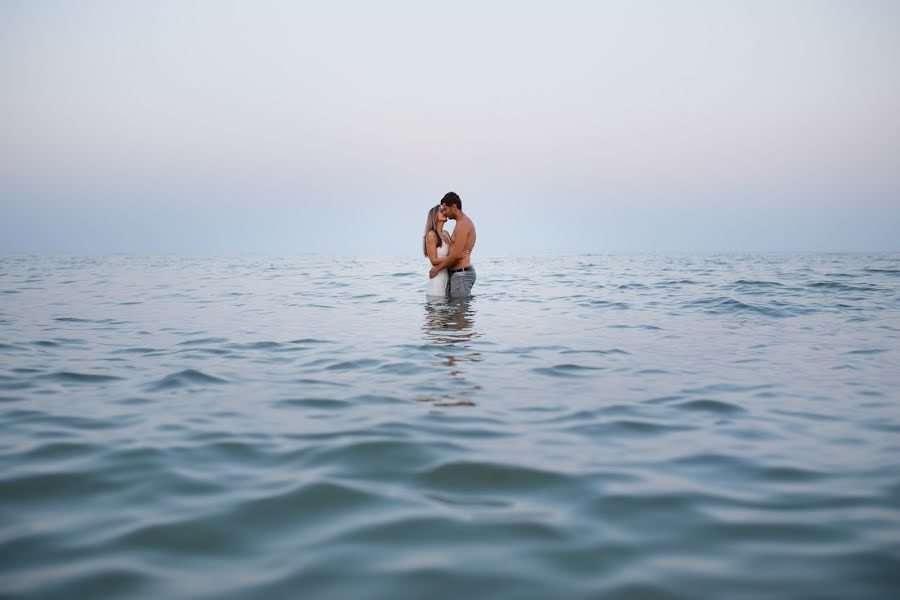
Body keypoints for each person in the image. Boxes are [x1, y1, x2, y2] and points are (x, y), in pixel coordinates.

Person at [429, 191, 477, 298]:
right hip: (457, 274)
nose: (444, 213)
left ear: (454, 207)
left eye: (445, 209)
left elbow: (456, 255)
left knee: (459, 311)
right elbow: (455, 253)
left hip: (461, 274)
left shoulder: (463, 224)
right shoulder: (459, 223)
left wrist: (437, 269)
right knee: (454, 312)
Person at [423, 204, 452, 298]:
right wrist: (455, 257)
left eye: (444, 210)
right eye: (441, 211)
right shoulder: (431, 235)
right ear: (434, 216)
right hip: (437, 279)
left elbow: (453, 253)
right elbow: (434, 261)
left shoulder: (446, 233)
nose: (444, 212)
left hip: (447, 278)